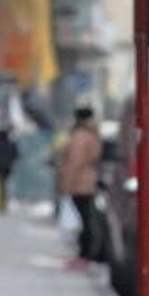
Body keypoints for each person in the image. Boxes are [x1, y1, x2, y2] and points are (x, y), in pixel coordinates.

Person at [57, 106, 103, 269]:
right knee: (86, 219)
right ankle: (86, 254)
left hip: (79, 183)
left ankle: (84, 255)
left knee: (84, 221)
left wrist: (66, 184)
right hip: (87, 181)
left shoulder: (80, 137)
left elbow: (75, 162)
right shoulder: (92, 134)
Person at [0, 121, 20, 214]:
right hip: (5, 166)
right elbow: (16, 154)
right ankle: (2, 205)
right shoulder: (10, 140)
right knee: (3, 187)